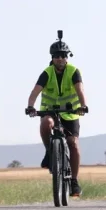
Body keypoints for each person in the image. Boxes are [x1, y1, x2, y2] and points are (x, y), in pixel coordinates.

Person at [26, 32, 88, 197]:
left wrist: (83, 106)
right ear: (52, 58)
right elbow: (35, 92)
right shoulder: (47, 73)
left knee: (73, 143)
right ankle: (49, 151)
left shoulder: (74, 71)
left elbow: (80, 90)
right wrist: (30, 106)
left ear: (67, 57)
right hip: (50, 111)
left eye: (63, 56)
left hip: (71, 113)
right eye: (56, 56)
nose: (60, 59)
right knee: (46, 123)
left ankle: (74, 181)